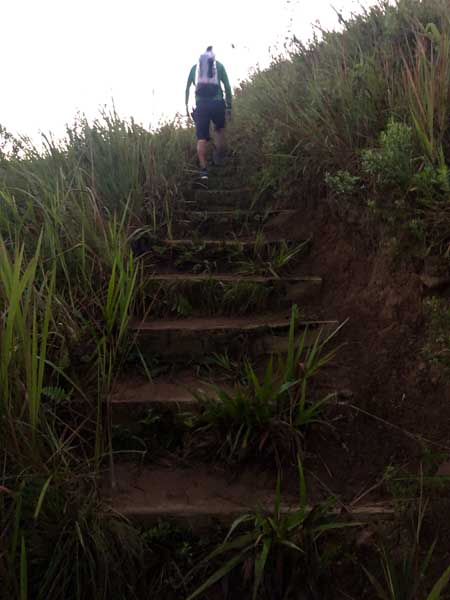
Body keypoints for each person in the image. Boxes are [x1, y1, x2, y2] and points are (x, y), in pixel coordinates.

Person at [185, 46, 232, 181]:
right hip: (217, 103)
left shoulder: (195, 69)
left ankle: (204, 170)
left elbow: (187, 88)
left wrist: (187, 106)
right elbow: (227, 87)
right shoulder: (219, 67)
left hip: (201, 106)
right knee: (218, 130)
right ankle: (218, 156)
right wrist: (229, 106)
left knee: (201, 138)